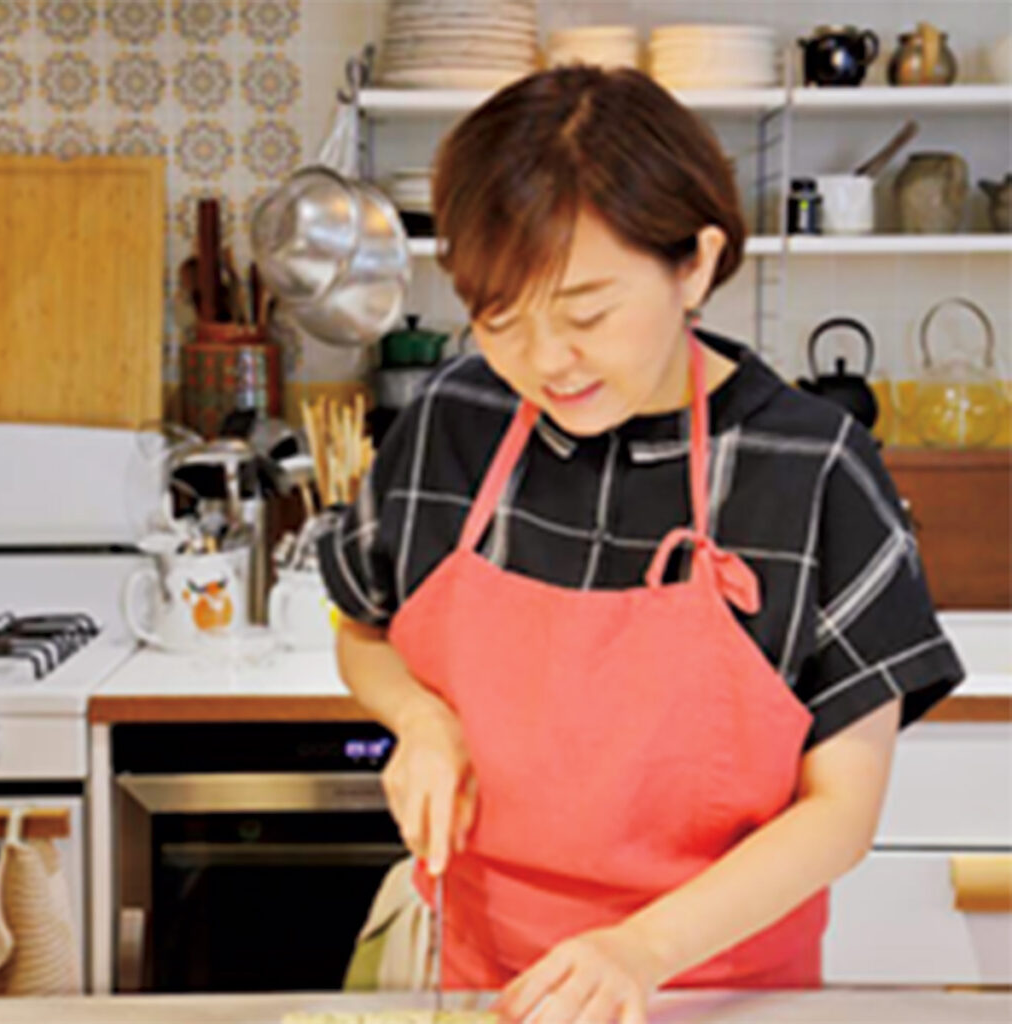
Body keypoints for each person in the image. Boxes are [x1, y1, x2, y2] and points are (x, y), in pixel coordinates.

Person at [318, 65, 965, 1024]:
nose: (547, 360)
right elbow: (361, 629)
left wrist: (642, 950)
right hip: (481, 981)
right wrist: (418, 719)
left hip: (722, 993)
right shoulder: (455, 418)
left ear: (694, 265)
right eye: (500, 318)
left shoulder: (813, 468)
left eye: (586, 314)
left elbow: (841, 812)